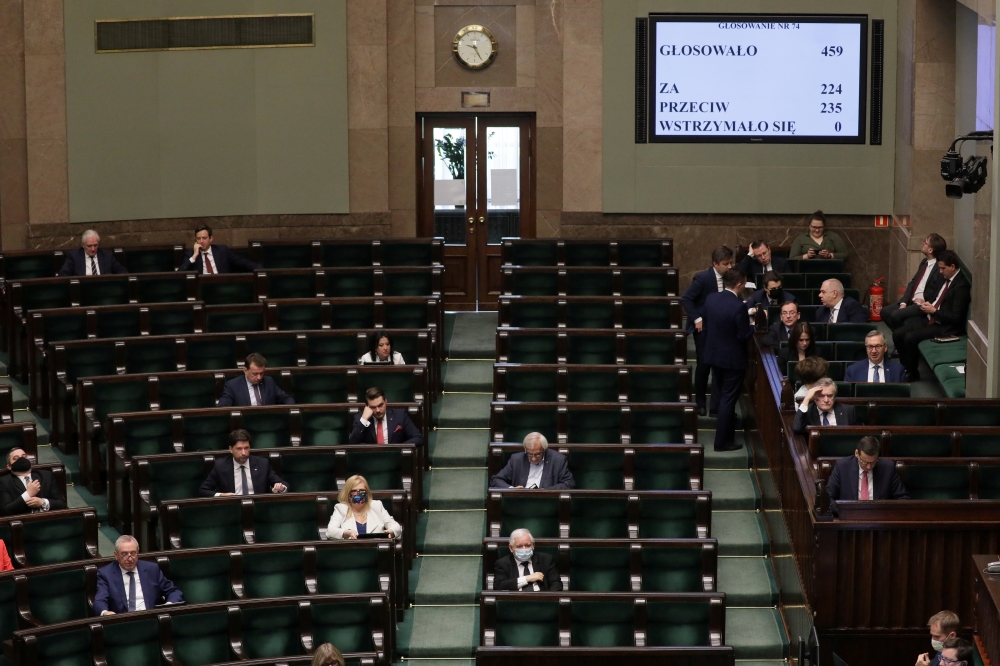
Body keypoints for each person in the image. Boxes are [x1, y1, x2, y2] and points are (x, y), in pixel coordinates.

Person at [892, 250, 971, 381]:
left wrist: (934, 311)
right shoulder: (946, 278)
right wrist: (928, 303)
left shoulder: (961, 286)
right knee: (898, 334)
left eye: (943, 268)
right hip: (932, 316)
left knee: (910, 338)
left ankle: (912, 373)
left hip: (946, 325)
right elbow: (938, 297)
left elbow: (956, 317)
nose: (940, 271)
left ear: (952, 267)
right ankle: (904, 367)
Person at [703, 269, 754, 452]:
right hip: (733, 360)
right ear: (740, 284)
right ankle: (722, 442)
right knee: (728, 400)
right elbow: (743, 335)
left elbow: (708, 325)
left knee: (720, 392)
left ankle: (722, 429)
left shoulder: (711, 299)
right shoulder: (738, 306)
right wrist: (753, 327)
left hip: (714, 356)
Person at [681, 246, 734, 416]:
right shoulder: (703, 278)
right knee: (703, 366)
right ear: (715, 264)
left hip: (722, 329)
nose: (730, 267)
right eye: (726, 264)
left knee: (719, 367)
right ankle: (700, 402)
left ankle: (715, 407)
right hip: (704, 329)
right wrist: (697, 318)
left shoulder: (730, 277)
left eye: (731, 263)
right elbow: (686, 299)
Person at [94, 535, 183, 615]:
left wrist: (168, 605)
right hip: (123, 622)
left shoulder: (151, 569)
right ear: (116, 555)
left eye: (133, 553)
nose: (130, 558)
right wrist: (105, 612)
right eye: (124, 554)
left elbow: (174, 591)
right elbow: (100, 600)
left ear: (138, 552)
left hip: (151, 618)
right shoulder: (106, 574)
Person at [885, 234, 947, 332]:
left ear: (930, 250)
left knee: (895, 315)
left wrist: (923, 301)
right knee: (885, 312)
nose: (923, 244)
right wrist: (904, 302)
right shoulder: (924, 262)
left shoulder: (939, 269)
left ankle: (901, 339)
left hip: (921, 305)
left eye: (925, 242)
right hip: (911, 300)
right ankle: (901, 337)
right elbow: (913, 282)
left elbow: (938, 292)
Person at [199, 429, 289, 496]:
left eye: (246, 448)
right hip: (232, 509)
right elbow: (203, 490)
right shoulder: (220, 466)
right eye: (239, 449)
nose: (244, 453)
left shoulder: (262, 464)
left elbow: (284, 484)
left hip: (259, 508)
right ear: (231, 449)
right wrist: (221, 495)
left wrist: (281, 488)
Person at [826, 436, 907, 504]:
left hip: (880, 518)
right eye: (864, 462)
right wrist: (845, 513)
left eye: (873, 462)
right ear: (857, 453)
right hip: (850, 518)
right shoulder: (842, 467)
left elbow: (903, 498)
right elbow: (828, 498)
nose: (869, 467)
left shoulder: (888, 468)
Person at [489, 432, 575, 489]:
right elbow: (495, 480)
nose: (533, 458)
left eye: (537, 454)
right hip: (521, 501)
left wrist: (546, 491)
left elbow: (569, 483)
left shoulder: (557, 460)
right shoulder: (516, 460)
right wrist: (512, 489)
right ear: (525, 450)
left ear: (544, 450)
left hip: (546, 502)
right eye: (530, 454)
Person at [326, 474, 401, 540]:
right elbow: (330, 531)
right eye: (354, 491)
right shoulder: (341, 508)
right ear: (348, 494)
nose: (358, 494)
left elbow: (396, 527)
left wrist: (391, 531)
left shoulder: (377, 506)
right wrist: (347, 533)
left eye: (362, 490)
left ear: (367, 492)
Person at [1, 448, 67, 515]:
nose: (21, 459)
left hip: (48, 518)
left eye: (24, 456)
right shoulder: (4, 482)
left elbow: (61, 503)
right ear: (9, 466)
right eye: (16, 458)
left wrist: (42, 502)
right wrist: (28, 494)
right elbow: (6, 510)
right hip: (24, 522)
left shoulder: (46, 476)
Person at [493, 528, 562, 592]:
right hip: (515, 601)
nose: (524, 549)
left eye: (528, 545)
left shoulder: (546, 559)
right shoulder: (503, 563)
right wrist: (527, 579)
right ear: (511, 548)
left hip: (541, 600)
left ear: (533, 545)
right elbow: (499, 585)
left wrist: (547, 601)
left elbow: (556, 584)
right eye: (519, 546)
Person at [348, 387, 423, 445]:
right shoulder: (360, 418)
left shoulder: (400, 415)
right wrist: (364, 420)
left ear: (386, 402)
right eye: (373, 407)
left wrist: (399, 449)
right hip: (371, 461)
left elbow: (418, 438)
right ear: (367, 407)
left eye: (380, 405)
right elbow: (352, 443)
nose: (377, 410)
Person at [217, 353, 294, 407]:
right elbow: (222, 407)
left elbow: (287, 399)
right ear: (245, 370)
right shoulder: (232, 386)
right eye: (255, 374)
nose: (259, 377)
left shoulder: (269, 382)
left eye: (262, 373)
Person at [178, 224, 261, 274]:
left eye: (204, 238)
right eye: (198, 239)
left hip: (221, 285)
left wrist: (261, 269)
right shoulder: (191, 254)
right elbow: (180, 273)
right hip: (202, 288)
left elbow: (242, 262)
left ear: (210, 238)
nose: (201, 241)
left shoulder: (222, 250)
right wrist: (194, 256)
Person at [792, 378, 857, 433]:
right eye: (821, 396)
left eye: (830, 396)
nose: (826, 400)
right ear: (815, 397)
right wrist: (807, 398)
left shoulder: (848, 410)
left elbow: (859, 434)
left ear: (834, 397)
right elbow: (797, 428)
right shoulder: (808, 411)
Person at [57, 230, 127, 276]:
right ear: (83, 245)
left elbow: (123, 272)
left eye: (95, 245)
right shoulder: (74, 256)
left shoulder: (107, 256)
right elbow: (63, 275)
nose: (93, 249)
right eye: (89, 246)